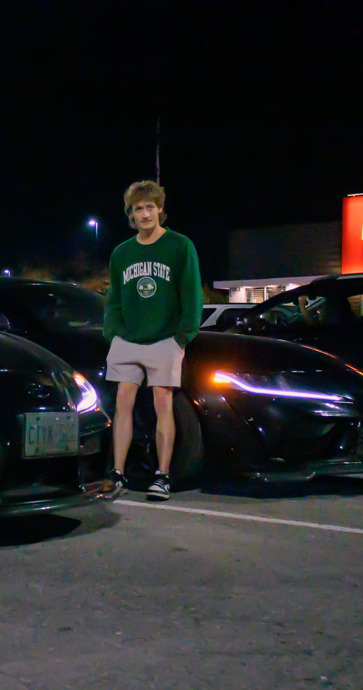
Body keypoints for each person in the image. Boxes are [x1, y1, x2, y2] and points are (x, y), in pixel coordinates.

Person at [102, 180, 202, 501]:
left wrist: (183, 336)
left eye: (149, 207)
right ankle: (117, 473)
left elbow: (191, 293)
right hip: (128, 340)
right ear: (130, 215)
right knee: (122, 404)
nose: (144, 214)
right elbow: (114, 298)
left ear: (160, 209)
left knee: (163, 404)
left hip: (165, 339)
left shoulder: (179, 246)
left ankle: (162, 476)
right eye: (137, 209)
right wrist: (113, 332)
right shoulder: (122, 253)